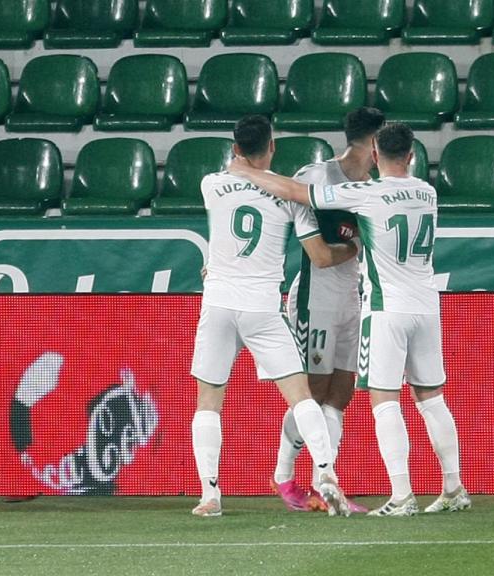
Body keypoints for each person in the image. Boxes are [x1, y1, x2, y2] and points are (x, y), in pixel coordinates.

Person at [229, 123, 469, 517]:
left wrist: (244, 171)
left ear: (376, 155)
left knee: (383, 400)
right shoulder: (427, 191)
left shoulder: (368, 193)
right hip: (426, 306)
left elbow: (297, 193)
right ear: (412, 156)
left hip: (385, 307)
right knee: (430, 397)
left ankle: (402, 495)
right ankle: (453, 486)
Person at [190, 115, 359, 518]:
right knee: (301, 396)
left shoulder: (211, 185)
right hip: (262, 308)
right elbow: (319, 252)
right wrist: (351, 251)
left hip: (218, 303)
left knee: (208, 403)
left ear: (235, 149)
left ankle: (209, 496)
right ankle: (326, 473)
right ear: (272, 147)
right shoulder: (291, 198)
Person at [272, 107, 385, 514]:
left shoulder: (373, 185)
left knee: (341, 393)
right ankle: (284, 475)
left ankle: (327, 481)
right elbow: (314, 251)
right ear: (373, 143)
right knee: (313, 392)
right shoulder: (316, 177)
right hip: (314, 298)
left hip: (351, 298)